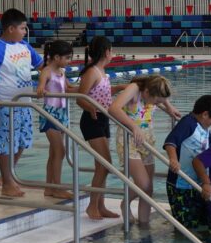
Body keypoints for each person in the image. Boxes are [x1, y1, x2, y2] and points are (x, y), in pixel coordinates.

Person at [0, 8, 44, 198]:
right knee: (7, 144)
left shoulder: (25, 46)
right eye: (23, 28)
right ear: (10, 28)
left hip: (25, 104)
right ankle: (6, 182)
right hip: (6, 105)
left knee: (23, 142)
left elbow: (42, 66)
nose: (25, 32)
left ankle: (9, 175)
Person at [109, 74, 180, 226]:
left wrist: (168, 107)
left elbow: (160, 94)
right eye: (156, 101)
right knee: (143, 185)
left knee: (149, 190)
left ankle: (144, 225)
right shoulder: (134, 89)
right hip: (129, 140)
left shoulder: (153, 91)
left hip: (147, 140)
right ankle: (125, 203)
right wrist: (133, 126)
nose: (156, 104)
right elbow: (113, 108)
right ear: (147, 92)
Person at [77, 36, 123, 220]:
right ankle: (91, 206)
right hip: (91, 119)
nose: (112, 54)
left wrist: (119, 87)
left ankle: (100, 205)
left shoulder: (101, 71)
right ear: (106, 52)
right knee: (105, 164)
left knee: (101, 165)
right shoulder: (92, 72)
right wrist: (91, 108)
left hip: (103, 119)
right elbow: (81, 98)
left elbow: (100, 93)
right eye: (111, 50)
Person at [163, 95, 211, 231]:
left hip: (195, 183)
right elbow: (170, 142)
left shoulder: (203, 127)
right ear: (205, 114)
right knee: (185, 225)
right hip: (180, 184)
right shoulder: (188, 123)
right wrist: (173, 159)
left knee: (198, 221)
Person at [36, 40, 75, 200]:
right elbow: (40, 87)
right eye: (67, 58)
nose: (69, 61)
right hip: (50, 115)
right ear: (57, 57)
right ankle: (57, 188)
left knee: (54, 153)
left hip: (62, 115)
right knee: (60, 151)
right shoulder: (47, 71)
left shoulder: (61, 71)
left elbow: (69, 88)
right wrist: (41, 90)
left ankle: (49, 187)